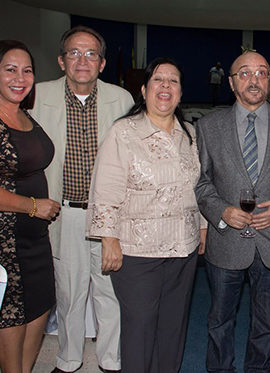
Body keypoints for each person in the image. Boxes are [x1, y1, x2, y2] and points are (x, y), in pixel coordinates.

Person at [87, 57, 207, 373]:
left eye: (173, 81)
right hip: (137, 251)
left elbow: (201, 185)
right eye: (158, 80)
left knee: (173, 325)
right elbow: (106, 188)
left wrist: (204, 227)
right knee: (139, 327)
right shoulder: (123, 132)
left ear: (181, 93)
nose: (165, 86)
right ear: (144, 90)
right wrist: (108, 238)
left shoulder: (191, 135)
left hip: (184, 247)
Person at [30, 26, 134, 373]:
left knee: (109, 292)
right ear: (61, 60)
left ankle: (110, 359)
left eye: (91, 54)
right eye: (74, 53)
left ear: (102, 64)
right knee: (69, 292)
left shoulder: (121, 99)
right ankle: (69, 358)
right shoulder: (38, 97)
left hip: (109, 216)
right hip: (63, 213)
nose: (82, 60)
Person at [195, 51, 270, 373]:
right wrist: (221, 211)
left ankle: (258, 367)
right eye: (244, 73)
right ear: (231, 83)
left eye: (261, 73)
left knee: (266, 320)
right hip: (226, 240)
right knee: (219, 319)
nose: (253, 79)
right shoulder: (207, 125)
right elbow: (200, 182)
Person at [0, 39, 61, 373]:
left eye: (27, 71)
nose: (19, 77)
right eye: (10, 69)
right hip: (5, 248)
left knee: (38, 314)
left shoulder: (24, 115)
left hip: (36, 243)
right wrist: (32, 206)